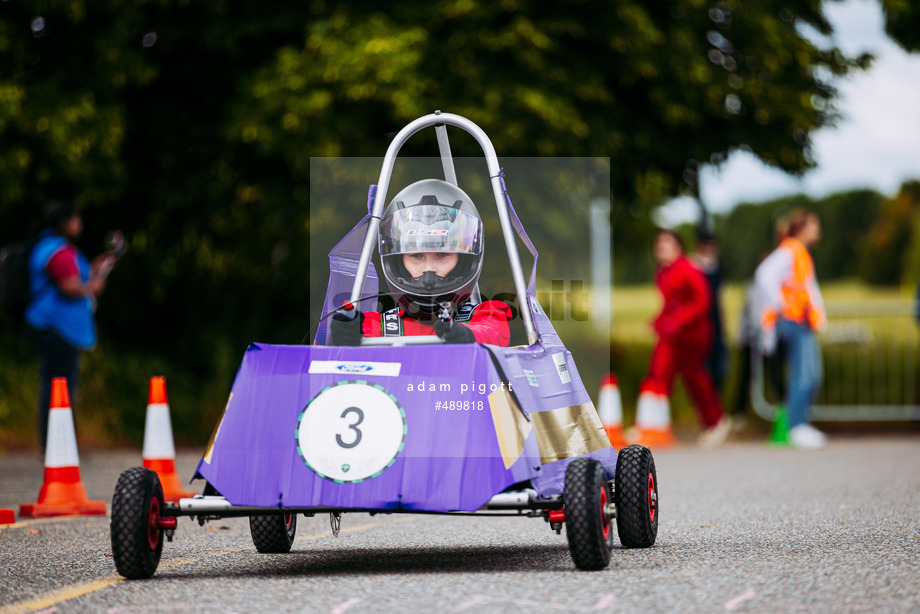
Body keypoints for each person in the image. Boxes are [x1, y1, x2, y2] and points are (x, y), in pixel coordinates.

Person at [329, 180, 511, 346]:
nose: (429, 269)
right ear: (398, 262)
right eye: (416, 256)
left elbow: (492, 332)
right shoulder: (375, 326)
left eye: (441, 254)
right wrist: (344, 337)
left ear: (464, 260)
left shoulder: (488, 314)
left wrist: (465, 335)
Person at [24, 200, 107, 450]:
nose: (79, 223)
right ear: (65, 222)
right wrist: (92, 287)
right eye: (76, 218)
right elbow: (69, 286)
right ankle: (56, 444)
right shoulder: (58, 251)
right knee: (60, 386)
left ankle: (55, 442)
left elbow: (74, 276)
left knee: (55, 383)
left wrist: (96, 269)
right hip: (57, 328)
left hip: (51, 326)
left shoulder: (47, 246)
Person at [640, 230, 729, 448]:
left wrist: (676, 321)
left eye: (666, 244)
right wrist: (659, 321)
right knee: (659, 373)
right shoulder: (662, 272)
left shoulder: (689, 268)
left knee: (695, 379)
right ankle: (652, 424)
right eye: (658, 244)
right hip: (673, 334)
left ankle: (716, 421)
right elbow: (670, 303)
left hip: (693, 334)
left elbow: (702, 302)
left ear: (678, 247)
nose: (661, 248)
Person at [755, 208, 827, 449]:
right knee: (804, 374)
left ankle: (800, 424)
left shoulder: (800, 253)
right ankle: (796, 426)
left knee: (811, 373)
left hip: (802, 320)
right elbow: (764, 275)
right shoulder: (789, 251)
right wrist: (782, 304)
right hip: (793, 321)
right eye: (814, 225)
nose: (818, 230)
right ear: (802, 228)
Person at [690, 227, 727, 393]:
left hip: (715, 322)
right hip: (700, 323)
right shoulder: (693, 267)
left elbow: (719, 297)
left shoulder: (717, 267)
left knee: (718, 367)